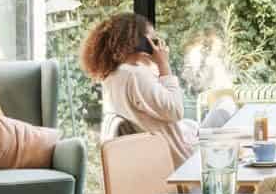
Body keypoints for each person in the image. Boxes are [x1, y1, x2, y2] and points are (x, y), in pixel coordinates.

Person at [80, 12, 198, 166]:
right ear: (139, 42)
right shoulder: (134, 75)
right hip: (179, 167)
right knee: (224, 108)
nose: (156, 45)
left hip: (159, 161)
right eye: (152, 40)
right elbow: (176, 110)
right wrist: (164, 65)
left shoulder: (114, 76)